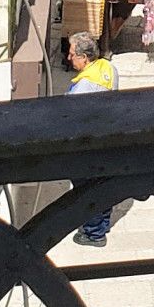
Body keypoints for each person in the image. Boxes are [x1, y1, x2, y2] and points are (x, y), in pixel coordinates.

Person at [64, 30, 118, 246]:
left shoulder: (84, 88)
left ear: (84, 58)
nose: (68, 58)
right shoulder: (108, 68)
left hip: (89, 146)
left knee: (88, 189)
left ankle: (94, 233)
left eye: (71, 55)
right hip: (107, 139)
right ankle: (100, 223)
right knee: (102, 186)